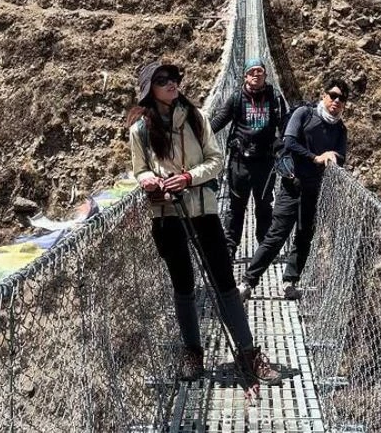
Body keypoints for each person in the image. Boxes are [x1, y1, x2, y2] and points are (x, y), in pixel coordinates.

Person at [127, 60, 281, 385]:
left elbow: (216, 160)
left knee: (224, 281)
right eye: (162, 80)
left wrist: (186, 178)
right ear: (149, 90)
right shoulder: (139, 130)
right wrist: (150, 181)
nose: (172, 83)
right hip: (167, 215)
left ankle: (248, 351)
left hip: (204, 211)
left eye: (173, 78)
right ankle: (192, 352)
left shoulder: (196, 118)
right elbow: (139, 169)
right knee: (182, 285)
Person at [238, 77, 350, 302]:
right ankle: (247, 282)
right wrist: (316, 158)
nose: (336, 101)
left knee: (304, 236)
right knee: (277, 235)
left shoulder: (340, 129)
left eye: (342, 98)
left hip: (314, 190)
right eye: (333, 95)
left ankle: (290, 282)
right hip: (292, 185)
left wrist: (333, 156)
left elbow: (342, 156)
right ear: (324, 96)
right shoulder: (304, 114)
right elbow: (289, 142)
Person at [209, 58, 290, 257]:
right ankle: (229, 249)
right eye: (252, 71)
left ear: (265, 74)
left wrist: (289, 147)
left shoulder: (275, 98)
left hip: (265, 162)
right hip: (240, 162)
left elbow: (285, 125)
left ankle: (264, 248)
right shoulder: (237, 97)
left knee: (264, 205)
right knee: (236, 207)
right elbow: (219, 120)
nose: (256, 74)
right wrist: (198, 135)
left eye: (260, 71)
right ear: (245, 76)